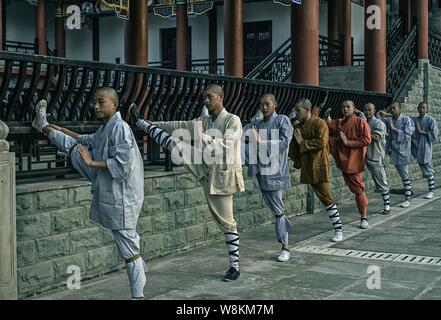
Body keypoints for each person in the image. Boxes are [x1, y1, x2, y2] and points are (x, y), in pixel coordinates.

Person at [31, 87, 147, 300]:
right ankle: (43, 125)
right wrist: (57, 128)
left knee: (129, 250)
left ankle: (138, 295)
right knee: (75, 145)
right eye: (94, 102)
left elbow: (124, 165)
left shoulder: (120, 128)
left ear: (114, 104)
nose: (95, 106)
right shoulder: (106, 129)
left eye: (100, 102)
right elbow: (86, 139)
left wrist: (92, 162)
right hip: (110, 187)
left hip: (122, 196)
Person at [129, 84, 244, 281]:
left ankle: (235, 267)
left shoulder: (233, 120)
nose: (206, 101)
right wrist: (154, 123)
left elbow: (225, 146)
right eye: (204, 97)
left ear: (220, 98)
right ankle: (141, 123)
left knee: (227, 223)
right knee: (175, 143)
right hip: (203, 165)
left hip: (221, 178)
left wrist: (201, 135)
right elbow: (180, 126)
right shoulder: (205, 120)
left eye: (210, 97)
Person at [243, 93, 294, 262]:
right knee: (275, 208)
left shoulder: (282, 120)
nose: (264, 108)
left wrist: (263, 143)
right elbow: (244, 135)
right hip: (260, 169)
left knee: (278, 209)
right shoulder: (257, 122)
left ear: (275, 104)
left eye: (267, 104)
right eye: (261, 105)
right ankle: (284, 242)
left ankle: (285, 246)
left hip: (275, 170)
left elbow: (284, 142)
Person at [288, 98, 344, 242]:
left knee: (326, 197)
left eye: (298, 111)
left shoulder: (320, 123)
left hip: (319, 165)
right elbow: (293, 147)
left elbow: (321, 142)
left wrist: (302, 142)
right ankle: (338, 228)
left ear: (308, 110)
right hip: (307, 165)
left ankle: (339, 229)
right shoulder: (299, 126)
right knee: (322, 197)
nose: (296, 113)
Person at [325, 100, 372, 229]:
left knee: (358, 190)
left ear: (354, 108)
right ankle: (363, 211)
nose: (345, 109)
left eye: (348, 107)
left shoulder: (360, 122)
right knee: (357, 190)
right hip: (343, 159)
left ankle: (364, 217)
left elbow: (367, 140)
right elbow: (327, 125)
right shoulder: (340, 123)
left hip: (354, 161)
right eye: (343, 107)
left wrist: (348, 142)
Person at [380, 102, 415, 208]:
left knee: (405, 175)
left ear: (399, 109)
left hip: (403, 151)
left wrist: (393, 128)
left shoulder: (406, 120)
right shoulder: (390, 119)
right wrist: (385, 114)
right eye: (391, 108)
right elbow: (378, 119)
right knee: (402, 174)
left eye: (394, 108)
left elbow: (407, 134)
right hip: (394, 151)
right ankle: (408, 193)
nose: (392, 110)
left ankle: (408, 198)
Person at [363, 103, 391, 215]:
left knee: (381, 182)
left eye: (369, 110)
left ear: (374, 111)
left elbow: (376, 137)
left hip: (375, 156)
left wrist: (362, 133)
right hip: (363, 157)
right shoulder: (363, 122)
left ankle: (387, 205)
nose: (367, 112)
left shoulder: (378, 123)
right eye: (365, 110)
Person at [411, 102, 439, 199]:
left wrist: (422, 131)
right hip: (417, 146)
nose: (422, 110)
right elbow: (404, 118)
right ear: (418, 109)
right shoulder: (415, 119)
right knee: (423, 166)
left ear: (426, 109)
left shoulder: (431, 120)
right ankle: (431, 189)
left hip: (426, 146)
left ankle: (431, 190)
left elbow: (434, 134)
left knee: (427, 167)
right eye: (420, 108)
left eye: (424, 108)